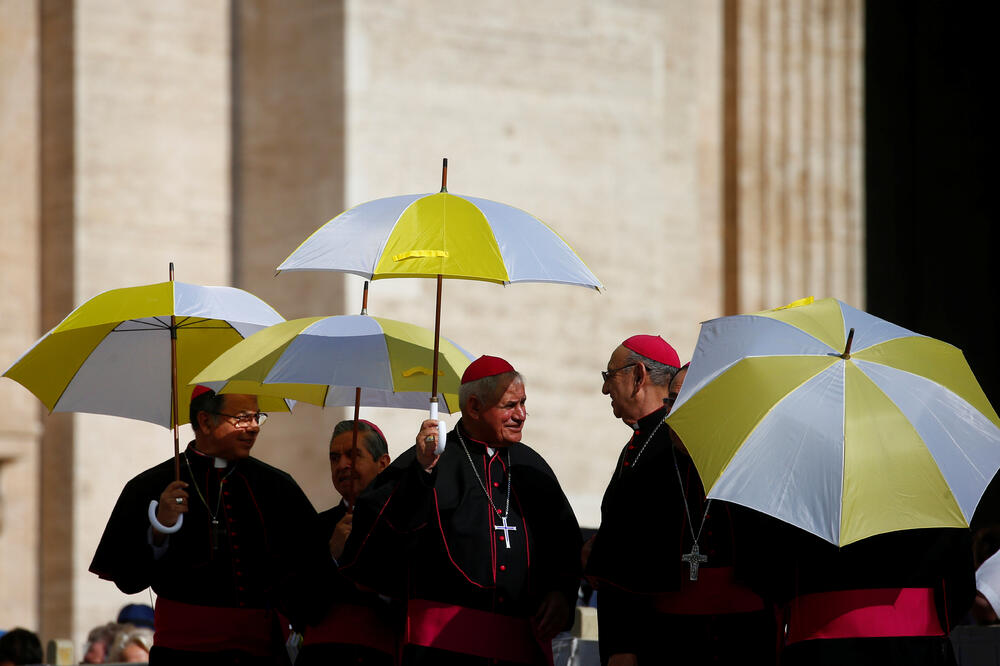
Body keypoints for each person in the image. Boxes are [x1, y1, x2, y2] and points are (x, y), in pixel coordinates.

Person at [341, 355, 583, 665]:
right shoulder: (429, 462)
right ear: (474, 407)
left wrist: (561, 592)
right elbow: (380, 537)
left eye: (523, 403)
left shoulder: (532, 467)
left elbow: (565, 544)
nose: (521, 415)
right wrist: (423, 472)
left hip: (518, 651)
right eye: (510, 406)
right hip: (442, 652)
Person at [89, 386, 324, 666]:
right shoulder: (150, 485)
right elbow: (128, 580)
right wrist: (159, 529)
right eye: (242, 418)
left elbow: (310, 571)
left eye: (257, 417)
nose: (254, 428)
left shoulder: (277, 485)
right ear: (205, 421)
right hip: (184, 656)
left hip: (261, 656)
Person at [584, 335, 776, 665]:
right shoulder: (653, 463)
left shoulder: (753, 465)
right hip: (669, 639)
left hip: (746, 637)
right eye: (669, 403)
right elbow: (625, 567)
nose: (670, 415)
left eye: (679, 403)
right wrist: (622, 648)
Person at [755, 521, 975, 665]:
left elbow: (770, 579)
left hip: (818, 652)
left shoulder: (796, 489)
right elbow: (961, 591)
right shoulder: (934, 492)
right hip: (915, 651)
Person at [297, 419, 396, 665]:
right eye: (334, 458)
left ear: (382, 463)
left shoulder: (402, 524)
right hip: (323, 658)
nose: (342, 465)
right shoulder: (313, 525)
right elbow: (299, 606)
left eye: (353, 455)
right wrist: (332, 555)